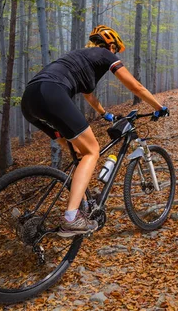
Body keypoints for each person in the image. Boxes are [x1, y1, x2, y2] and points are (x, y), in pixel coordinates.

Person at [21, 25, 169, 237]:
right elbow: (135, 87)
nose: (114, 55)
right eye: (115, 51)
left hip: (30, 100)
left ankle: (70, 206)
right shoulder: (104, 54)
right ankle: (71, 218)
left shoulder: (81, 59)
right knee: (93, 151)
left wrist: (104, 113)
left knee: (78, 152)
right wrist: (158, 107)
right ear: (110, 46)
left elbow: (89, 96)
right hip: (52, 93)